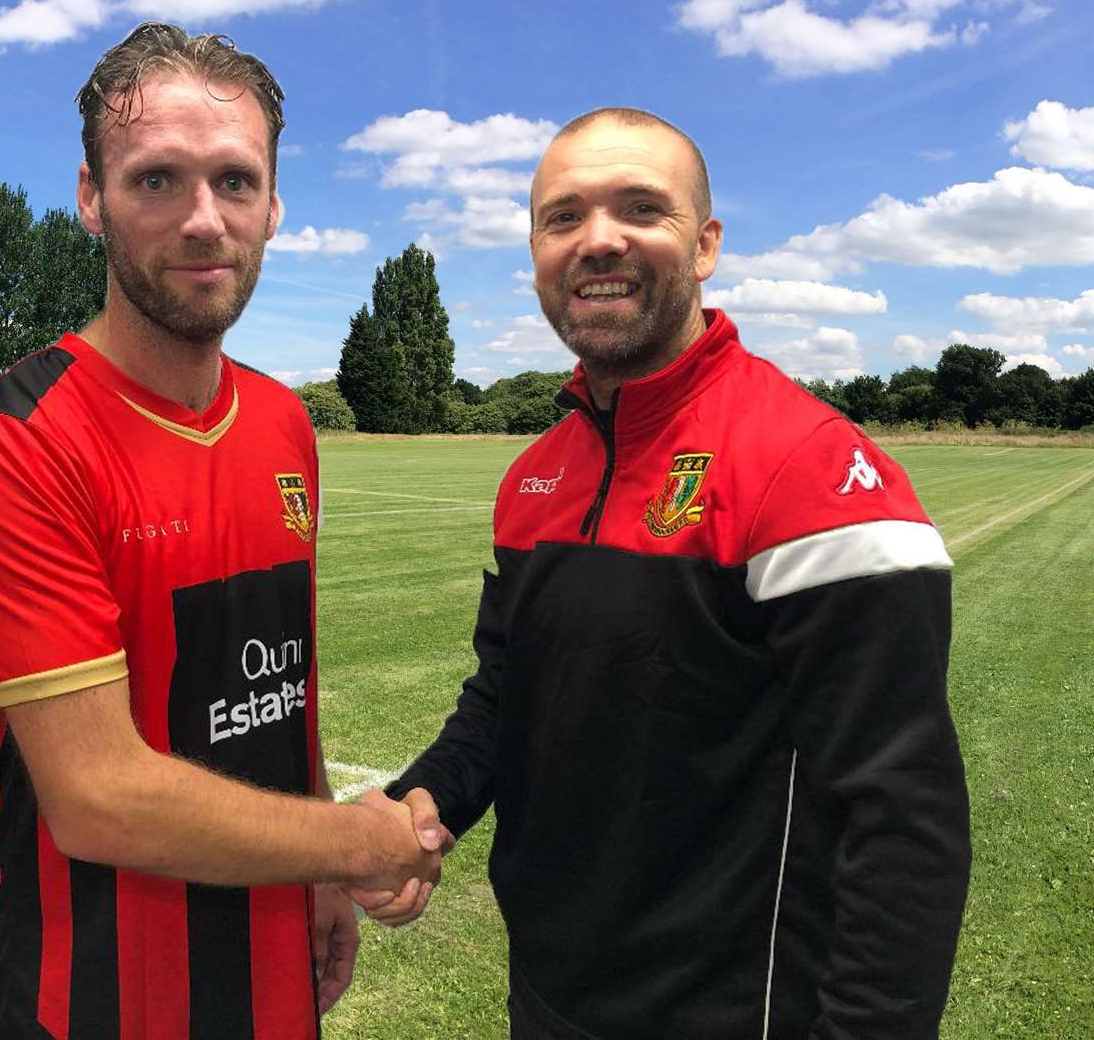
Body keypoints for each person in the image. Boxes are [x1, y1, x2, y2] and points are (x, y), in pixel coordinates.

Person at [359, 108, 972, 1038]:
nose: (598, 239)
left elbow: (904, 825)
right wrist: (424, 799)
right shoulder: (534, 477)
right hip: (553, 997)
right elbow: (506, 698)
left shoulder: (807, 467)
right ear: (535, 251)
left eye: (641, 207)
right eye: (563, 218)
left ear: (706, 243)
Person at [0, 23, 443, 1040]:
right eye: (158, 181)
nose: (205, 220)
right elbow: (97, 797)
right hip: (88, 1003)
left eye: (236, 182)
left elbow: (275, 686)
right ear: (91, 198)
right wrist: (349, 843)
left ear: (275, 205)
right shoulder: (18, 441)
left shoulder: (285, 421)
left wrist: (316, 877)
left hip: (269, 984)